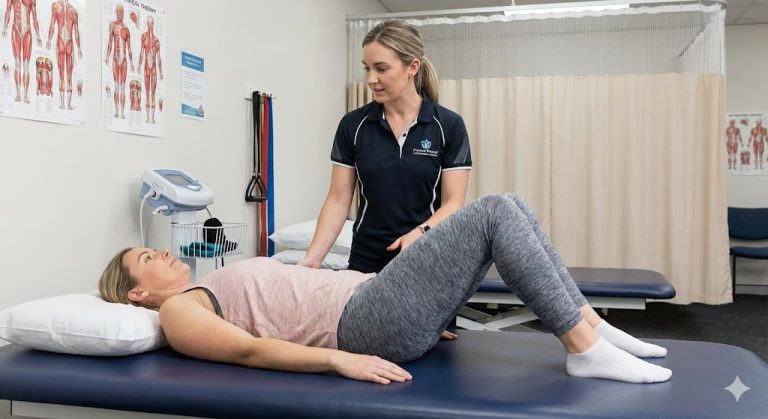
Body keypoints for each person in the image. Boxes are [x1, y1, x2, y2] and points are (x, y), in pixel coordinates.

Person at [100, 194, 671, 385]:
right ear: (137, 295)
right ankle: (584, 349)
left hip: (378, 303)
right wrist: (337, 360)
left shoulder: (209, 282)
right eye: (149, 258)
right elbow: (249, 351)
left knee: (512, 206)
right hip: (361, 323)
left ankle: (591, 325)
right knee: (495, 212)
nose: (165, 253)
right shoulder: (178, 311)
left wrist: (419, 309)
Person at [299, 19, 472, 274]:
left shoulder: (448, 126)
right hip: (366, 262)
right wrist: (313, 259)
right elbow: (338, 200)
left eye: (381, 68)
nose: (371, 79)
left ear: (412, 67)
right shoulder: (353, 125)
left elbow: (453, 203)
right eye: (366, 68)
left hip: (427, 259)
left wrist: (420, 232)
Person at [2, 0, 43, 103]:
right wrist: (5, 27)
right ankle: (18, 94)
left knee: (26, 65)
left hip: (27, 32)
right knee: (17, 63)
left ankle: (25, 95)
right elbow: (8, 10)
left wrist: (38, 35)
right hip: (16, 30)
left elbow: (35, 18)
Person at [46, 0, 82, 110]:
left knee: (62, 74)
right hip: (69, 42)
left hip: (61, 41)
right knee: (68, 75)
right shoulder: (73, 10)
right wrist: (79, 48)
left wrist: (49, 40)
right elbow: (76, 32)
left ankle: (63, 104)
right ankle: (68, 104)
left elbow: (52, 25)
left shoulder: (56, 6)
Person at [105, 3, 133, 119]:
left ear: (123, 13)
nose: (120, 14)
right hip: (115, 59)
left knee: (123, 87)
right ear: (116, 13)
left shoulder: (127, 30)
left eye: (121, 12)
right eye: (118, 12)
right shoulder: (112, 26)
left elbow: (129, 48)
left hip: (124, 60)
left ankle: (122, 112)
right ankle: (117, 111)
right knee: (116, 86)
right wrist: (107, 56)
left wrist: (132, 62)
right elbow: (110, 42)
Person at [137, 15, 162, 124]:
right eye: (149, 23)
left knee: (153, 94)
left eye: (152, 23)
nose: (151, 25)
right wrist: (139, 65)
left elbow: (158, 58)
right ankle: (148, 118)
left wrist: (161, 72)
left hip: (154, 69)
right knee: (147, 93)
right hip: (147, 67)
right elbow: (142, 53)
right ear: (147, 24)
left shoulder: (157, 41)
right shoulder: (144, 37)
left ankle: (153, 118)